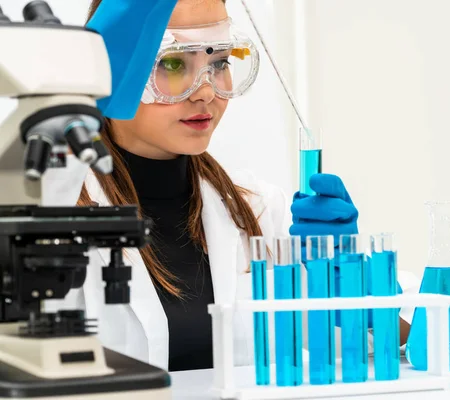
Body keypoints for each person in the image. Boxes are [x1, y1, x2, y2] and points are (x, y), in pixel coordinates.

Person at [42, 0, 418, 373]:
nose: (206, 92)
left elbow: (428, 337)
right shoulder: (48, 214)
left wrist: (360, 286)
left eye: (219, 63)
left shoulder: (258, 213)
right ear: (114, 66)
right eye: (173, 63)